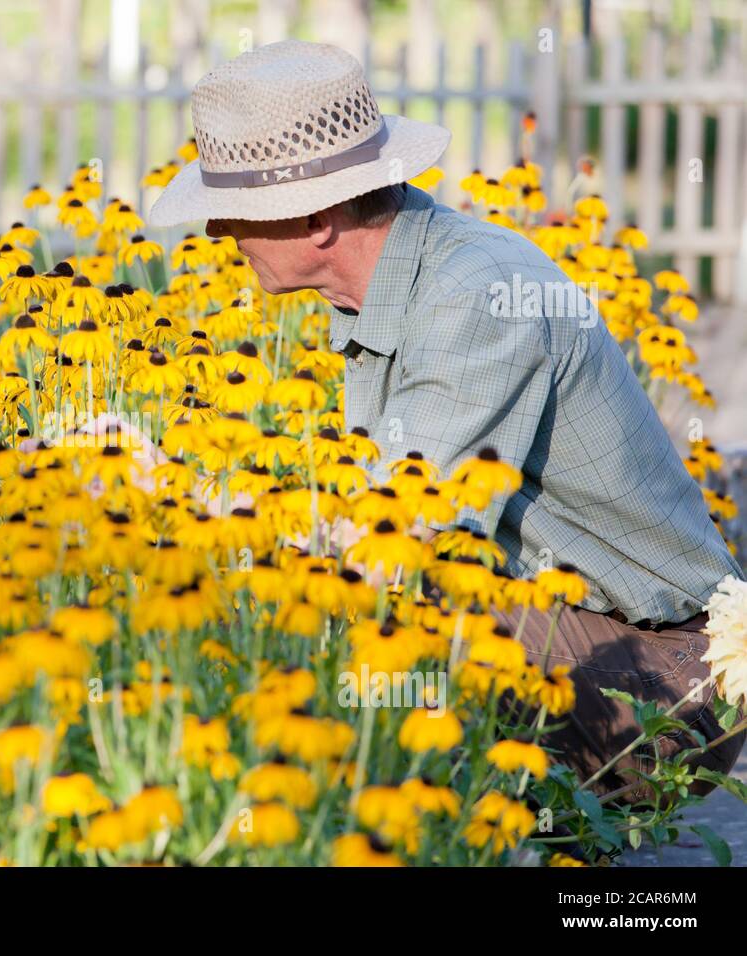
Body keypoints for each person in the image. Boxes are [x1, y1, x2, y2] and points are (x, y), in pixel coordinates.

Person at [143, 39, 745, 800]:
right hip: (592, 639)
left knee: (381, 625)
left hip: (664, 692)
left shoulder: (479, 297)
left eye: (232, 211)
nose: (215, 234)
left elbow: (390, 532)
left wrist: (183, 515)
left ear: (318, 218)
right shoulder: (401, 287)